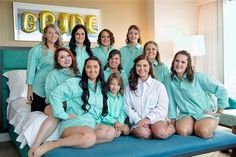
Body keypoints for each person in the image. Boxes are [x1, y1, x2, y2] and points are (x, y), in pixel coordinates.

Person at [33, 56, 116, 157]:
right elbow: (55, 95)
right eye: (88, 67)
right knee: (90, 138)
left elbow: (100, 111)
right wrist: (63, 114)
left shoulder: (101, 88)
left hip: (92, 123)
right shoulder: (76, 83)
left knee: (111, 132)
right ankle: (53, 144)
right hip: (74, 123)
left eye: (95, 67)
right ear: (84, 69)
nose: (92, 70)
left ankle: (81, 140)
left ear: (100, 69)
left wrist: (115, 121)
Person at [165, 50, 229, 138]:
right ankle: (195, 126)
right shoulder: (169, 78)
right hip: (186, 113)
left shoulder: (199, 77)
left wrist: (219, 111)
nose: (179, 64)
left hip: (204, 112)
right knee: (182, 131)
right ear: (173, 61)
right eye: (177, 60)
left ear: (188, 64)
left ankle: (209, 123)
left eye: (183, 62)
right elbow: (171, 101)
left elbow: (222, 89)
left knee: (203, 132)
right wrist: (172, 122)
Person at [28, 48, 79, 157]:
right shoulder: (53, 74)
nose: (66, 59)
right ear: (57, 61)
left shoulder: (77, 73)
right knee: (55, 115)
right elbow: (50, 96)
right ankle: (35, 145)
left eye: (68, 55)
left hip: (72, 105)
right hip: (52, 104)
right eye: (62, 57)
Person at [124, 55, 175, 139]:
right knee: (145, 134)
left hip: (156, 119)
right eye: (138, 65)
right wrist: (138, 120)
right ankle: (152, 132)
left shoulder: (158, 85)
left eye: (145, 65)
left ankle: (171, 127)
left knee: (161, 133)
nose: (141, 68)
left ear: (149, 67)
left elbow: (162, 106)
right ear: (135, 67)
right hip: (138, 120)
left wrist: (148, 118)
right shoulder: (129, 87)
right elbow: (127, 107)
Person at [26, 24, 63, 112]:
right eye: (50, 33)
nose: (53, 35)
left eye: (56, 33)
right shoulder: (37, 50)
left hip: (55, 89)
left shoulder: (61, 50)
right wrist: (29, 90)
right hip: (39, 89)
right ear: (45, 35)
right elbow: (30, 70)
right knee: (37, 113)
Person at [102, 73, 130, 137]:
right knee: (115, 133)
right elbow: (103, 114)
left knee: (126, 130)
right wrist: (114, 121)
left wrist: (119, 122)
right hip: (107, 121)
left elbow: (123, 112)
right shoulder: (104, 97)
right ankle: (113, 131)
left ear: (120, 86)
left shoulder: (121, 98)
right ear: (108, 84)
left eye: (118, 85)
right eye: (112, 84)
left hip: (118, 122)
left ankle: (116, 130)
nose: (115, 87)